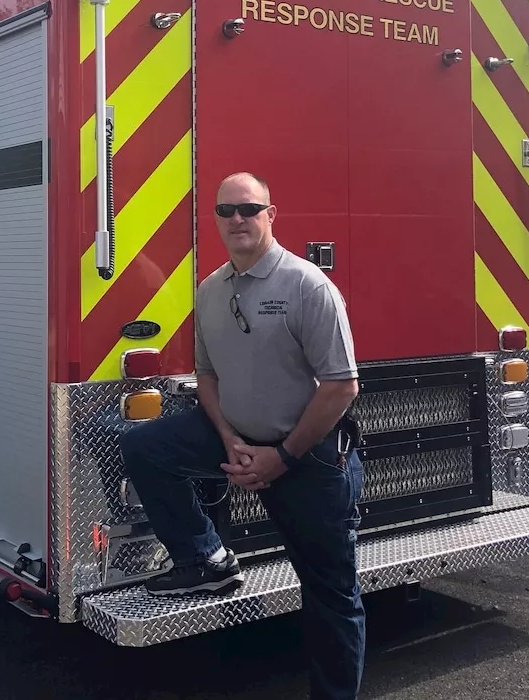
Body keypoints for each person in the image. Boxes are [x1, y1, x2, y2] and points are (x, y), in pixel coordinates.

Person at [120, 171, 366, 700]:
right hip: (238, 439)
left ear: (271, 215)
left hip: (310, 460)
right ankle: (205, 558)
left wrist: (281, 455)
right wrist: (228, 437)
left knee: (330, 595)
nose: (237, 220)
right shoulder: (211, 291)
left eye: (249, 209)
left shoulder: (307, 286)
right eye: (226, 211)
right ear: (214, 219)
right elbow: (207, 375)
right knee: (143, 445)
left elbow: (342, 386)